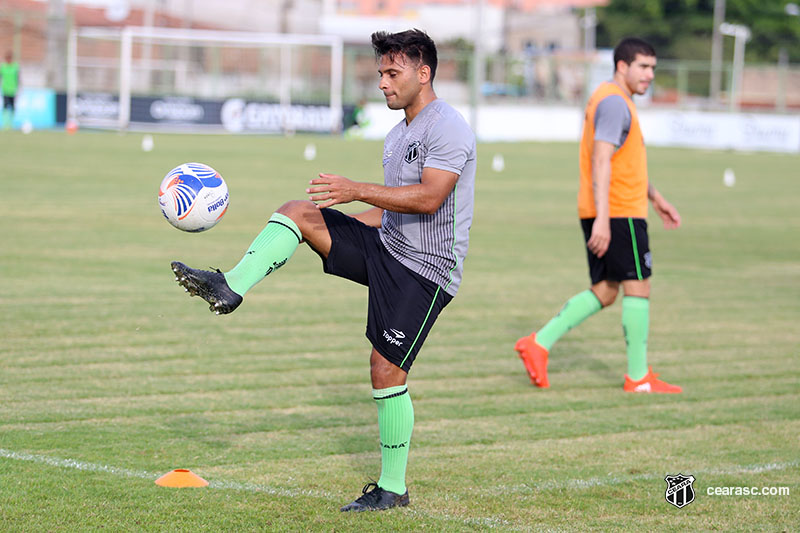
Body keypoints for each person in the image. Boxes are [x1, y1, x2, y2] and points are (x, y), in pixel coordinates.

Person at [170, 29, 476, 511]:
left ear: (424, 73)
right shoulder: (398, 136)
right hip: (387, 245)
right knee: (299, 212)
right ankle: (230, 285)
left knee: (385, 369)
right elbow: (391, 211)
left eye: (392, 73)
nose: (382, 83)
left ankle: (392, 489)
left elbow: (431, 197)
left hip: (425, 270)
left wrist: (355, 188)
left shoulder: (447, 126)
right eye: (380, 73)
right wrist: (337, 226)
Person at [515, 37, 682, 394]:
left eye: (653, 67)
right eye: (644, 67)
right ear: (622, 66)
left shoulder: (611, 98)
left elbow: (623, 162)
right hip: (618, 211)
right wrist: (605, 219)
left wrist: (656, 197)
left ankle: (538, 344)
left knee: (607, 291)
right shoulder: (614, 103)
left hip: (613, 207)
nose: (650, 75)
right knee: (639, 286)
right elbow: (601, 160)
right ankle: (637, 378)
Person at [0, 51, 20, 130]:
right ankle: (5, 124)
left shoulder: (15, 67)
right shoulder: (3, 67)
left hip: (13, 90)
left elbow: (18, 78)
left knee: (13, 107)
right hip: (5, 90)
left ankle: (11, 124)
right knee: (5, 106)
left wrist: (19, 88)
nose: (8, 60)